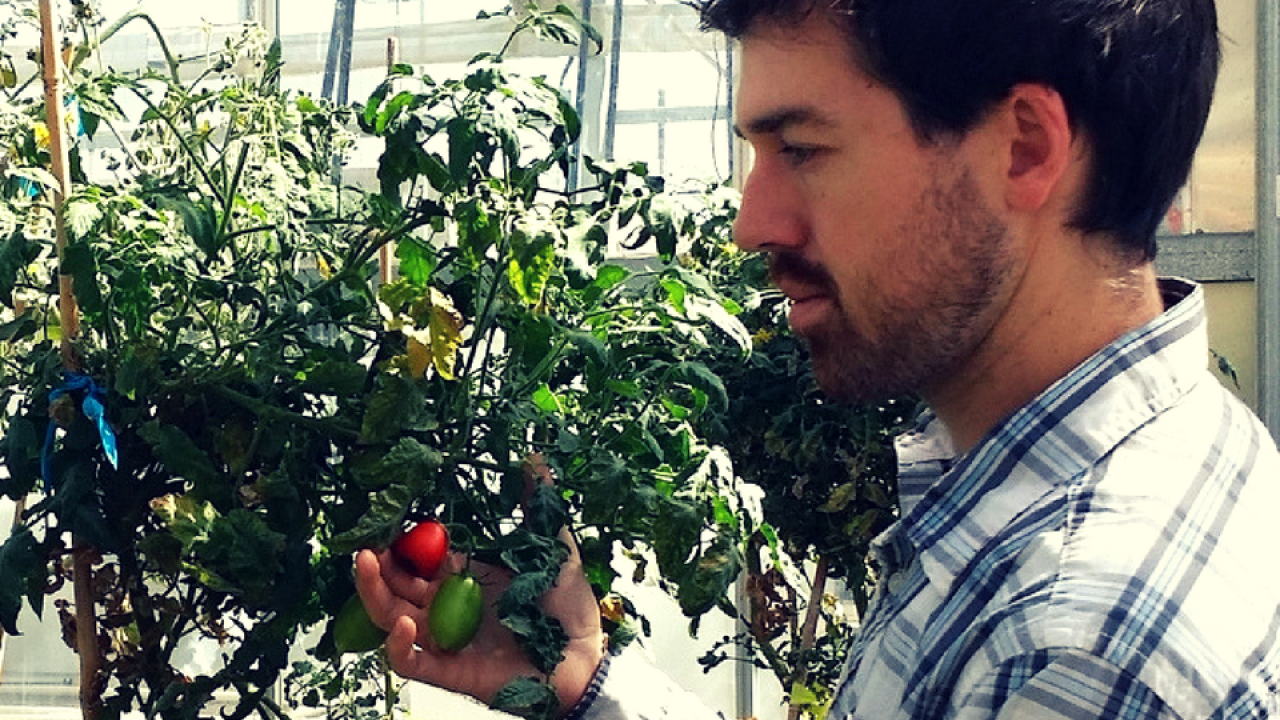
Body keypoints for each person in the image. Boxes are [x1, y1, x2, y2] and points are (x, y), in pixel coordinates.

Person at [356, 0, 1280, 716]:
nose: (751, 221)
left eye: (802, 148)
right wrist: (590, 681)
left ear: (1024, 146)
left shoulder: (1078, 657)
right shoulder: (1155, 458)